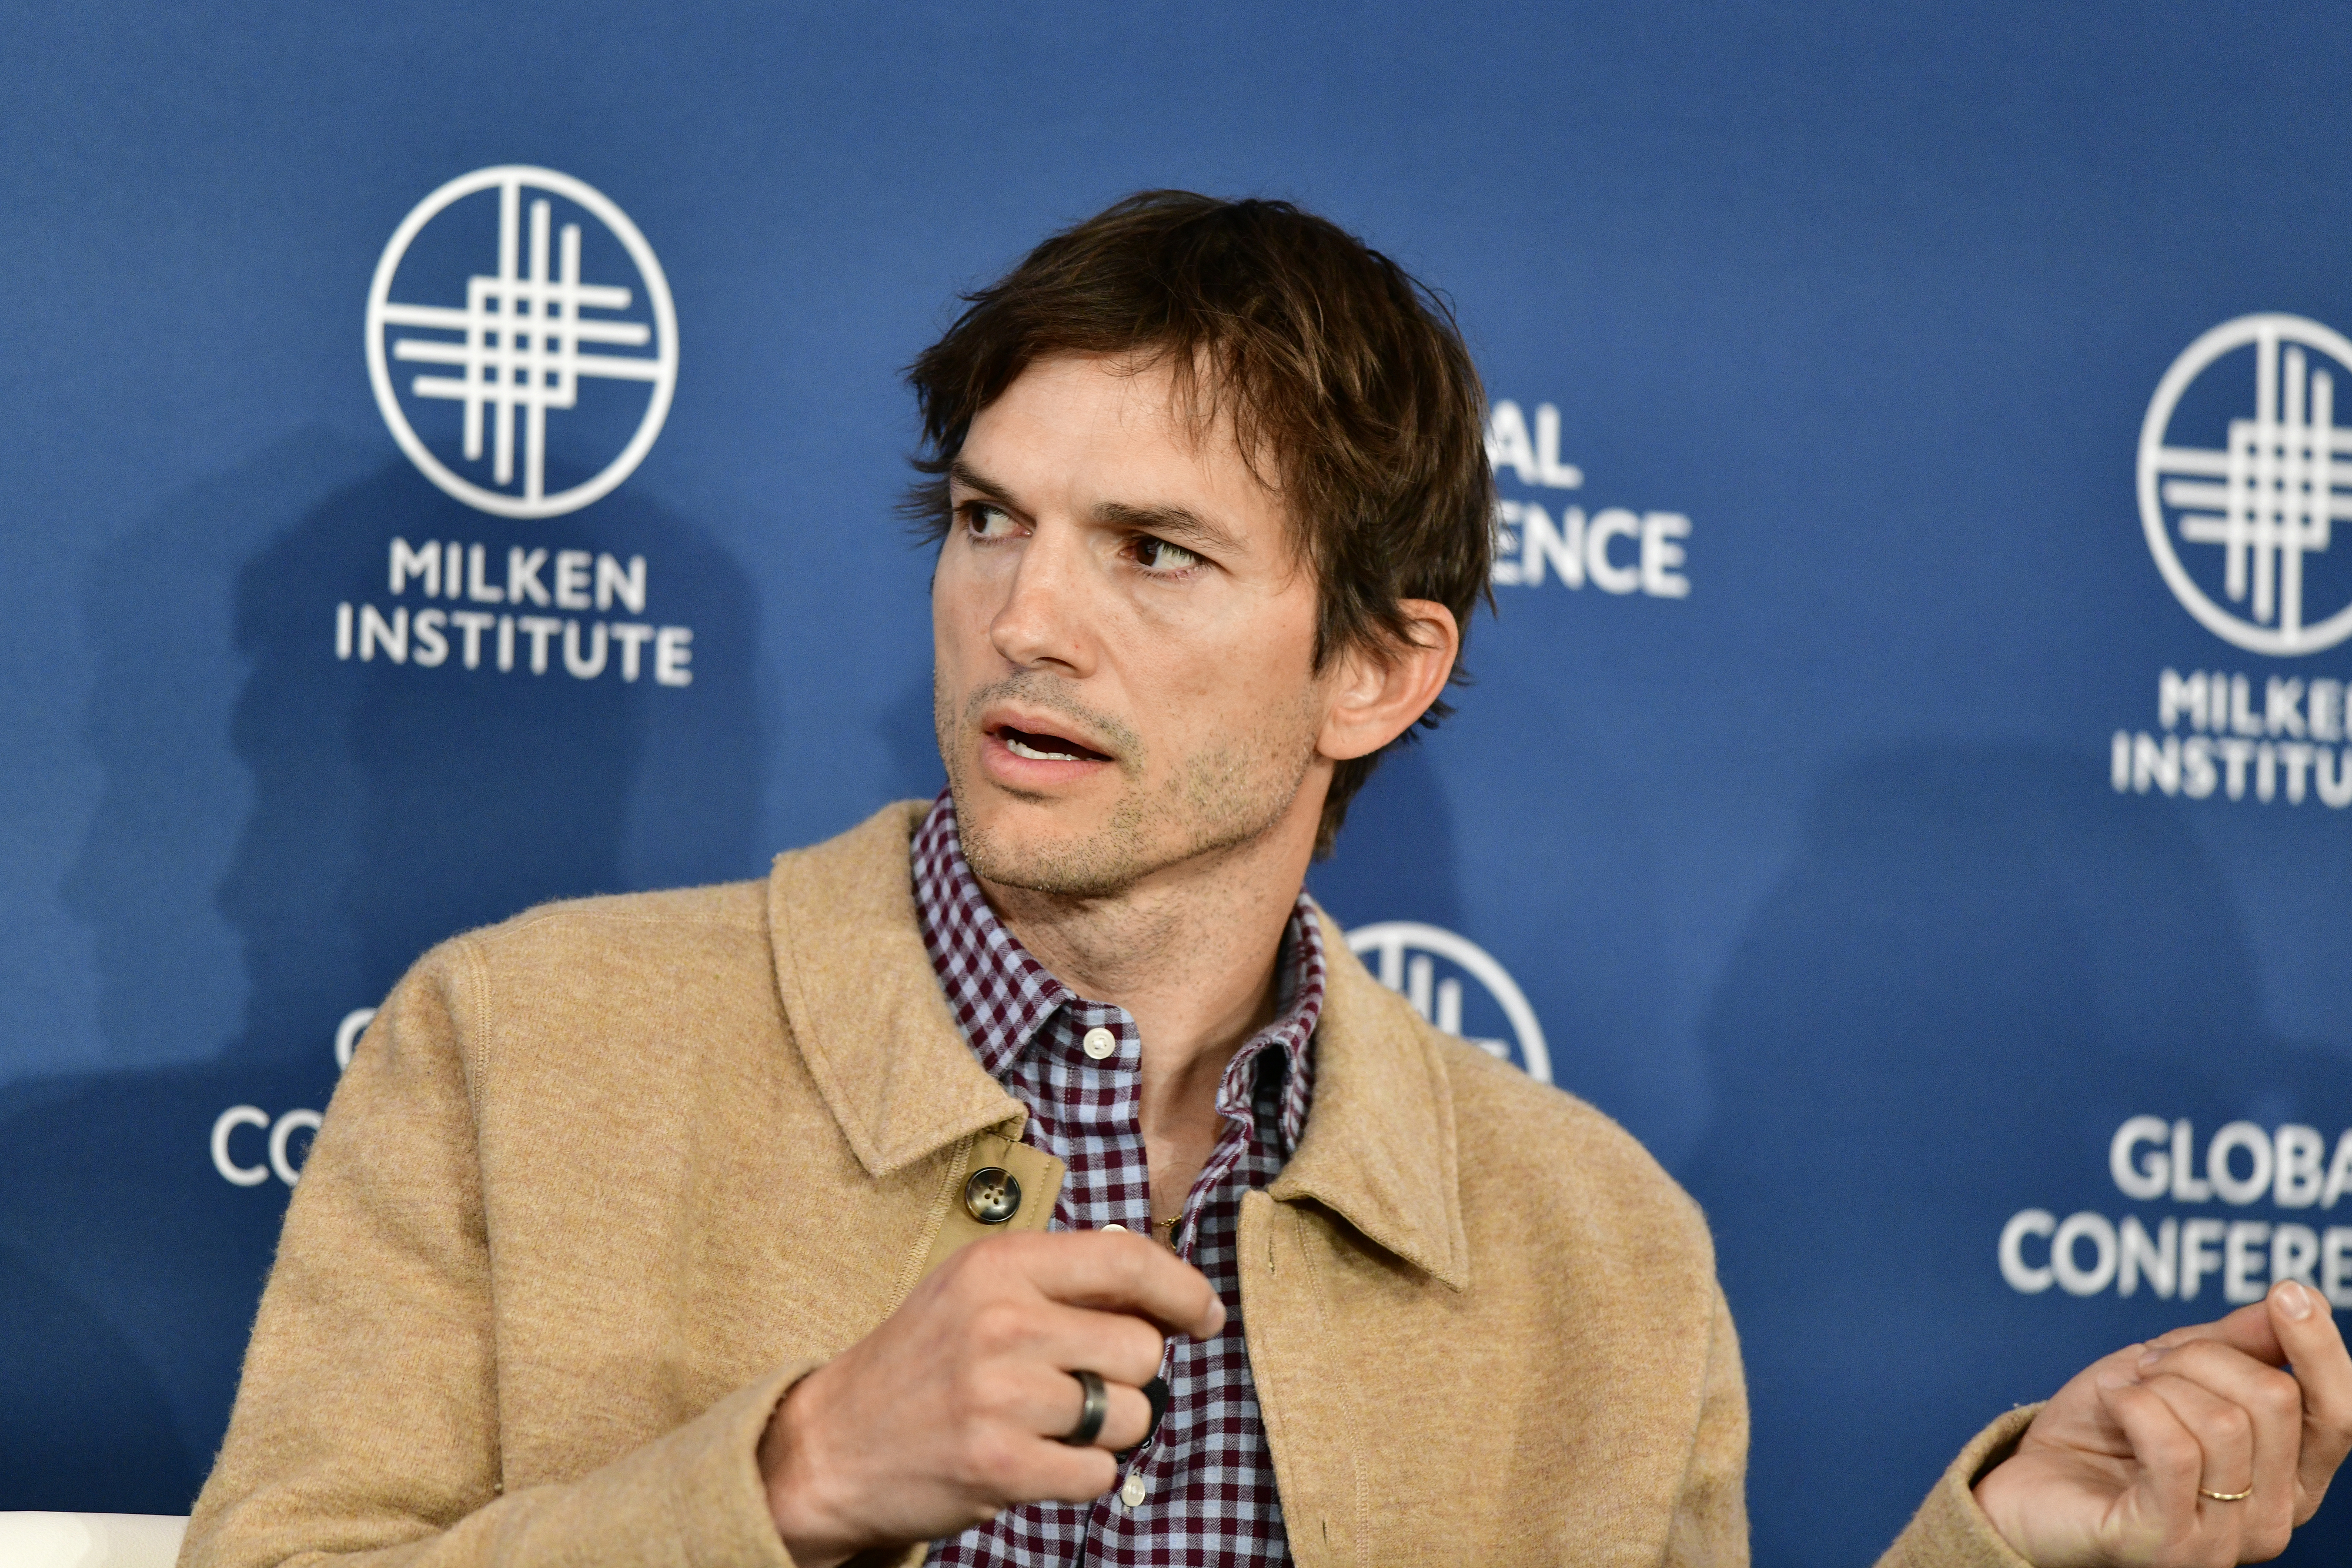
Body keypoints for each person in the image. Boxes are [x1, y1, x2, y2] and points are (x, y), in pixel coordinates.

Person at [183, 192, 2352, 1568]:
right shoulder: (524, 1044)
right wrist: (792, 1473)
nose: (1028, 617)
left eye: (1154, 554)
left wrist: (2011, 1547)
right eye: (987, 520)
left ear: (1379, 668)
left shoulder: (1596, 1250)